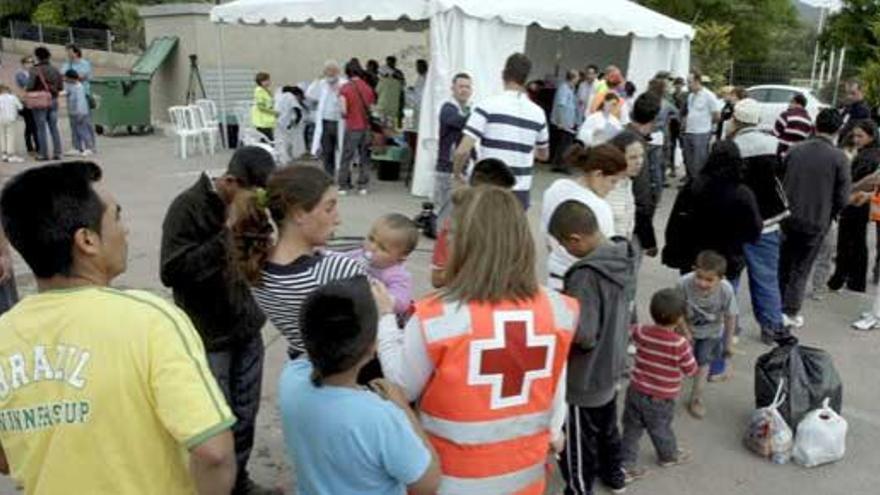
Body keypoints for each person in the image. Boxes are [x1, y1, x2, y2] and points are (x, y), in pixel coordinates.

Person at [0, 161, 236, 493]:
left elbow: (6, 459)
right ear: (87, 240)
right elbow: (214, 452)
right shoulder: (151, 321)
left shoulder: (5, 333)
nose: (125, 231)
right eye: (117, 217)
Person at [377, 186, 576, 495]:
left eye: (452, 234)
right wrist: (554, 433)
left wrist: (386, 319)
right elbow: (555, 390)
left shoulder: (437, 315)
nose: (446, 242)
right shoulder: (558, 309)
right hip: (527, 480)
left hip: (450, 480)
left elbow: (401, 387)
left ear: (467, 243)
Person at [160, 146, 276, 495]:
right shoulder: (187, 207)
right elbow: (171, 271)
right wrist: (226, 234)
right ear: (229, 181)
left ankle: (238, 482)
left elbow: (257, 260)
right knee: (215, 425)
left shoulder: (251, 207)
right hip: (209, 334)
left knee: (245, 414)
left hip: (245, 327)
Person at [278, 277, 441, 495]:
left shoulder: (290, 378)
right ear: (373, 346)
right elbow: (427, 483)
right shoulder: (381, 417)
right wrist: (403, 407)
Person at [231, 165, 365, 358]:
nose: (338, 219)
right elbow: (370, 333)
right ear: (298, 213)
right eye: (329, 208)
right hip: (346, 375)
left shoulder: (257, 269)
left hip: (301, 364)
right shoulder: (339, 270)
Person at [548, 200, 635, 495]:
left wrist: (558, 317)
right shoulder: (622, 256)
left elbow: (584, 334)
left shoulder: (585, 275)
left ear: (576, 239)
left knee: (576, 444)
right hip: (611, 366)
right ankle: (614, 476)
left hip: (583, 378)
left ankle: (579, 488)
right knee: (608, 430)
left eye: (563, 245)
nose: (564, 251)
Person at [779, 108, 850, 329]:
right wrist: (832, 214)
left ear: (815, 125)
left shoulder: (795, 150)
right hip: (816, 221)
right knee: (801, 268)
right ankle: (790, 312)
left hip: (788, 218)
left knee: (783, 265)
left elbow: (780, 181)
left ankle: (774, 308)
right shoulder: (840, 157)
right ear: (838, 130)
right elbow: (842, 196)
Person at [453, 53, 550, 209]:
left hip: (487, 188)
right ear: (526, 79)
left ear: (503, 75)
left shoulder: (486, 106)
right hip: (520, 191)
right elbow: (544, 154)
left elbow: (462, 151)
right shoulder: (538, 113)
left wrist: (457, 174)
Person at [729, 98, 790, 344]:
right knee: (766, 278)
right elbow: (781, 179)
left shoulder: (729, 146)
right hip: (768, 223)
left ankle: (729, 328)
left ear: (736, 119)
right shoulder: (776, 145)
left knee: (730, 279)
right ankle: (771, 328)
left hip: (734, 225)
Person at [621, 288, 698, 483]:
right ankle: (668, 456)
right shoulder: (679, 344)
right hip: (661, 398)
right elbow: (691, 370)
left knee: (631, 429)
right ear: (680, 318)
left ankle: (625, 465)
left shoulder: (641, 331)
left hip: (636, 390)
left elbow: (627, 333)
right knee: (661, 428)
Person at [542, 143, 627, 290]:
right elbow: (607, 255)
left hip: (554, 273)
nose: (613, 188)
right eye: (613, 181)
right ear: (598, 174)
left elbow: (546, 234)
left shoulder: (556, 187)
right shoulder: (598, 207)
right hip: (584, 282)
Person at [430, 158, 516, 288]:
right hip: (464, 297)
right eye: (501, 198)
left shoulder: (508, 225)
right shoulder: (455, 226)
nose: (505, 203)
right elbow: (437, 278)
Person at [687, 141, 763, 281]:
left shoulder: (695, 186)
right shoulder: (742, 193)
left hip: (696, 256)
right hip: (729, 260)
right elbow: (754, 229)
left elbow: (679, 222)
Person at [679, 251, 737, 419]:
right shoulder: (683, 283)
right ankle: (666, 391)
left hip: (711, 332)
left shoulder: (726, 290)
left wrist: (728, 344)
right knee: (678, 361)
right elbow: (677, 311)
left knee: (703, 364)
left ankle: (696, 398)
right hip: (685, 329)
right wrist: (685, 331)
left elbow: (730, 316)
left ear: (721, 278)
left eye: (709, 280)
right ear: (693, 269)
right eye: (699, 276)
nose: (702, 283)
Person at [827, 120, 880, 293]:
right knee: (856, 241)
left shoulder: (869, 156)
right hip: (860, 201)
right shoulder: (868, 153)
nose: (856, 139)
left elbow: (864, 181)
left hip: (857, 201)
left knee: (849, 242)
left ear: (871, 136)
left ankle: (841, 278)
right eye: (855, 135)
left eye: (860, 136)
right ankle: (854, 281)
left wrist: (848, 189)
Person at [343, 213, 419, 319]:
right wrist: (323, 254)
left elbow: (402, 301)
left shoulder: (397, 275)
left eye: (382, 248)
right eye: (371, 239)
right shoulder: (359, 254)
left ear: (400, 258)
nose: (372, 247)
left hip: (376, 318)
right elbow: (340, 258)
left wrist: (385, 299)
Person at [625, 93, 662, 258]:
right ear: (652, 120)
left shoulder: (621, 135)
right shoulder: (636, 146)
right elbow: (641, 196)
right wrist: (649, 239)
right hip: (631, 223)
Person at [434, 73, 472, 210]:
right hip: (446, 170)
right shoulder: (448, 108)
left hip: (463, 170)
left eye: (468, 87)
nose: (464, 90)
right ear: (453, 88)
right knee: (443, 213)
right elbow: (461, 122)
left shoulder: (467, 109)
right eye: (461, 86)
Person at [338, 59, 376, 195]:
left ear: (347, 72)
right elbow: (372, 109)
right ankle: (363, 186)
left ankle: (343, 185)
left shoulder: (345, 88)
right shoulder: (368, 88)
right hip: (366, 128)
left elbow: (343, 111)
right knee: (364, 157)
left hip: (352, 127)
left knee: (346, 157)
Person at [307, 60, 346, 178]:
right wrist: (317, 80)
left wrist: (337, 90)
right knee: (327, 151)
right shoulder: (322, 83)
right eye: (328, 70)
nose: (330, 73)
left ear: (338, 71)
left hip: (339, 122)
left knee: (341, 150)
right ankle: (329, 175)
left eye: (333, 70)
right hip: (325, 122)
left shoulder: (344, 83)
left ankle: (343, 177)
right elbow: (310, 95)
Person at [606, 130, 646, 240]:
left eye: (641, 156)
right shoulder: (605, 187)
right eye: (633, 157)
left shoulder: (627, 182)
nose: (639, 162)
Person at [682, 69, 721, 178]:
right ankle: (691, 182)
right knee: (689, 160)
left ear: (697, 81)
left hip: (701, 133)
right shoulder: (690, 96)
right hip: (689, 131)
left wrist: (706, 124)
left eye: (690, 82)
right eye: (687, 82)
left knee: (699, 161)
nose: (688, 85)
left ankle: (700, 183)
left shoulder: (709, 95)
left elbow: (717, 115)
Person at [27, 46, 63, 161]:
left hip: (40, 101)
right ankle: (57, 153)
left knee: (41, 128)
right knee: (54, 127)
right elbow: (60, 87)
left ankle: (43, 154)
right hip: (53, 100)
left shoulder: (34, 70)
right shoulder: (55, 69)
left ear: (37, 57)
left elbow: (30, 86)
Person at [60, 44, 95, 155]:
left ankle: (90, 146)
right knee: (73, 123)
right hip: (70, 94)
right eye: (67, 52)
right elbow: (62, 75)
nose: (69, 54)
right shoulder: (67, 64)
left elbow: (82, 76)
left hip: (84, 94)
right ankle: (76, 146)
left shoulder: (85, 64)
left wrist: (72, 77)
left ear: (76, 52)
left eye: (70, 51)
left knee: (85, 122)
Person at [551, 70, 580, 172]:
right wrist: (561, 122)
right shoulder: (564, 88)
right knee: (565, 145)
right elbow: (561, 106)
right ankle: (562, 165)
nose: (578, 79)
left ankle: (558, 164)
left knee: (562, 144)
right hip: (564, 123)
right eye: (577, 77)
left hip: (568, 122)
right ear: (573, 78)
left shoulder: (570, 89)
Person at [64, 69, 94, 156]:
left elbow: (81, 102)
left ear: (71, 78)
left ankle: (89, 147)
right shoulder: (71, 86)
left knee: (83, 130)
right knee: (75, 131)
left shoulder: (79, 87)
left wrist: (81, 113)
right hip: (73, 112)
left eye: (67, 78)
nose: (65, 79)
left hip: (79, 113)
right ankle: (77, 147)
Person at [274, 85, 308, 165]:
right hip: (290, 125)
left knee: (284, 143)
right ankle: (295, 160)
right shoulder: (290, 97)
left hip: (281, 124)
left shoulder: (280, 97)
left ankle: (285, 160)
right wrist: (296, 121)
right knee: (295, 143)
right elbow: (297, 110)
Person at [773, 93, 813, 157]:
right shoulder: (809, 121)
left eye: (790, 102)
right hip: (798, 156)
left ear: (794, 102)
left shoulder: (785, 115)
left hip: (782, 154)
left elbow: (775, 134)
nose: (789, 105)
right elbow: (807, 140)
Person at [14, 56, 37, 156]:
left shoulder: (34, 72)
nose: (31, 64)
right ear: (23, 63)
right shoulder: (20, 73)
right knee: (29, 125)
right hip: (26, 101)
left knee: (36, 125)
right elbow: (26, 85)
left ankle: (38, 146)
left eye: (32, 62)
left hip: (36, 100)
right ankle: (29, 147)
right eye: (28, 62)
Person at [839, 79, 872, 144]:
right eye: (847, 93)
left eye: (853, 93)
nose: (849, 96)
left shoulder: (863, 110)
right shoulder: (848, 106)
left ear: (862, 92)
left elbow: (853, 131)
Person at [0, 85, 24, 163]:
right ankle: (10, 154)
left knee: (2, 136)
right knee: (10, 136)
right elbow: (20, 107)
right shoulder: (13, 97)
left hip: (1, 119)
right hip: (11, 119)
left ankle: (4, 154)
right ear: (8, 90)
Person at [252, 72, 278, 141]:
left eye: (268, 80)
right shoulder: (259, 91)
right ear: (260, 81)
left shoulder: (266, 90)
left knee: (269, 139)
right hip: (262, 121)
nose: (268, 82)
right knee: (267, 140)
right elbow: (260, 107)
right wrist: (273, 112)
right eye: (266, 80)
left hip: (267, 121)